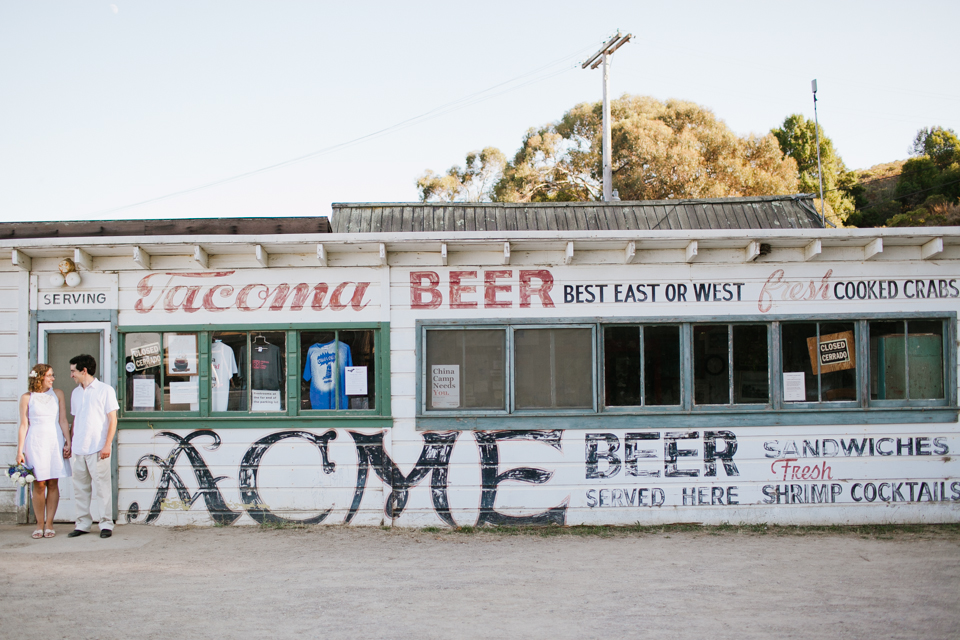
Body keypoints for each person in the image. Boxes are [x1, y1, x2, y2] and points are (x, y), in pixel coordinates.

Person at [16, 364, 72, 539]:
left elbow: (63, 420)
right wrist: (19, 451)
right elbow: (24, 425)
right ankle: (39, 524)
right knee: (39, 483)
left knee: (53, 483)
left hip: (54, 440)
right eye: (49, 375)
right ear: (39, 377)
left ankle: (49, 523)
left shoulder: (58, 394)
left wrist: (68, 441)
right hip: (35, 441)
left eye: (52, 375)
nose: (52, 378)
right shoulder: (27, 397)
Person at [67, 354, 119, 539]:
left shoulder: (105, 390)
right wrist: (71, 443)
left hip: (98, 447)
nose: (71, 375)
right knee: (80, 488)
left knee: (103, 488)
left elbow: (112, 419)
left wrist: (107, 445)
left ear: (84, 370)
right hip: (79, 448)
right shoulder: (75, 393)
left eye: (73, 371)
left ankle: (106, 524)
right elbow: (76, 419)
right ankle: (82, 524)